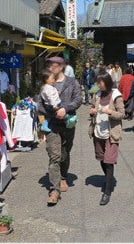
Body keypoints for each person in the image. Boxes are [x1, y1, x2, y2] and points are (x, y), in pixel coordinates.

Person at [38, 56, 82, 206]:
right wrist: (53, 112)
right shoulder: (45, 84)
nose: (51, 68)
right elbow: (39, 105)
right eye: (49, 65)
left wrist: (65, 108)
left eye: (54, 65)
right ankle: (54, 189)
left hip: (68, 123)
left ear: (62, 66)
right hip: (52, 124)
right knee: (54, 156)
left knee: (65, 152)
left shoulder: (72, 82)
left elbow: (78, 99)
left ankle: (63, 176)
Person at [88, 73, 125, 205]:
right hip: (98, 132)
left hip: (111, 133)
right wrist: (92, 111)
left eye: (101, 82)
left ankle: (107, 191)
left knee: (109, 161)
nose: (99, 85)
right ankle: (107, 178)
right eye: (98, 82)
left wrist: (110, 112)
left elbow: (122, 114)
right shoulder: (97, 94)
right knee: (102, 159)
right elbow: (92, 108)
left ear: (107, 82)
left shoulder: (116, 95)